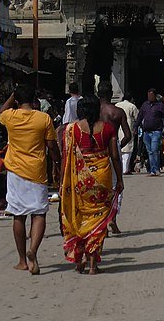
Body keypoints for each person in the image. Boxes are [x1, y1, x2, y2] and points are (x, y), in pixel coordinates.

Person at [0, 84, 61, 275]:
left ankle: (22, 261)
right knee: (39, 214)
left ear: (17, 100)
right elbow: (51, 146)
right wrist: (58, 163)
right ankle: (33, 249)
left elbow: (1, 111)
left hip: (16, 173)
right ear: (35, 100)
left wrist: (12, 96)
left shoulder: (10, 116)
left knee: (18, 215)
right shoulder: (43, 118)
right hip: (37, 172)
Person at [60, 95, 123, 275]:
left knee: (79, 216)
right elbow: (115, 157)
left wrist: (62, 182)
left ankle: (79, 260)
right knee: (99, 219)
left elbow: (66, 157)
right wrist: (120, 179)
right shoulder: (108, 129)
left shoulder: (71, 130)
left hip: (78, 179)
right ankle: (93, 265)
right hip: (102, 177)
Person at [97, 81, 131, 233]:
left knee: (97, 185)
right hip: (113, 147)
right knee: (116, 185)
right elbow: (128, 135)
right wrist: (118, 146)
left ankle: (99, 221)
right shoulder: (117, 112)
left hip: (95, 150)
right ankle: (112, 219)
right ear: (111, 94)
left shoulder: (93, 111)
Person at [136, 88, 164, 175]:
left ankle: (156, 169)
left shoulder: (160, 106)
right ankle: (153, 169)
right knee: (150, 151)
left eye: (151, 95)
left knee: (155, 149)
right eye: (148, 95)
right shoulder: (145, 105)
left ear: (155, 96)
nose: (150, 97)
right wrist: (135, 126)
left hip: (156, 131)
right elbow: (140, 117)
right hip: (146, 132)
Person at [115, 92, 139, 174]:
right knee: (128, 150)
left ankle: (121, 168)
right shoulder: (132, 106)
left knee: (119, 149)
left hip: (118, 129)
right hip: (127, 128)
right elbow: (137, 118)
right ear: (131, 99)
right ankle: (125, 169)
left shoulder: (117, 105)